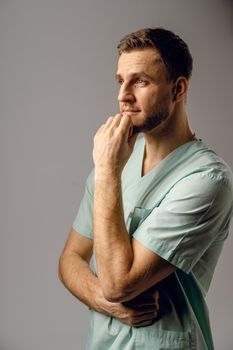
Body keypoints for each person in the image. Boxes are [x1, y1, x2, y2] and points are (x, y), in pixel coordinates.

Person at [58, 28, 233, 350]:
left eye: (140, 81)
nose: (123, 95)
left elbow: (119, 284)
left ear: (178, 89)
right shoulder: (115, 160)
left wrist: (108, 171)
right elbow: (71, 257)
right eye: (120, 81)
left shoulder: (206, 179)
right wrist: (102, 301)